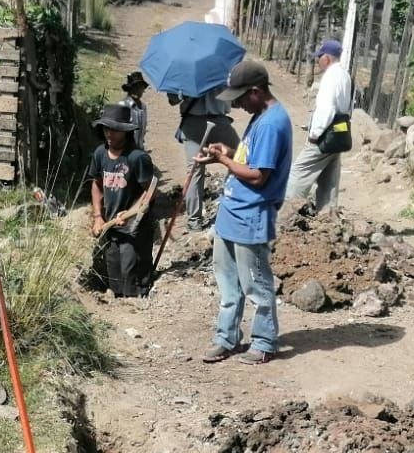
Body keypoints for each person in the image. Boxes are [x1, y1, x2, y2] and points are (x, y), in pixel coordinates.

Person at [195, 59, 292, 365]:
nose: (236, 104)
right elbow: (247, 159)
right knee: (227, 283)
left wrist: (225, 163)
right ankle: (227, 337)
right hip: (231, 213)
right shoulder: (260, 117)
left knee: (256, 284)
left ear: (255, 91)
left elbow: (257, 175)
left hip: (251, 215)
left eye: (239, 98)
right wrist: (225, 154)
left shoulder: (273, 123)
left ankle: (264, 341)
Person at [87, 102, 160, 298]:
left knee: (132, 276)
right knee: (114, 276)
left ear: (126, 132)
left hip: (135, 229)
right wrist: (97, 216)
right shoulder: (100, 154)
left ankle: (137, 309)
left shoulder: (137, 158)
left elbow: (150, 191)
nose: (110, 134)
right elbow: (96, 184)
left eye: (116, 130)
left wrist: (130, 213)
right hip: (111, 228)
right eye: (107, 129)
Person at [287, 38, 353, 215]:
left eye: (320, 57)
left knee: (298, 173)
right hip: (339, 133)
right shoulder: (345, 75)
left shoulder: (330, 77)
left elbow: (327, 108)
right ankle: (327, 217)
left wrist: (314, 134)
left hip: (325, 134)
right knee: (328, 179)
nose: (318, 60)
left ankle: (287, 213)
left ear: (327, 58)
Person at [168, 86, 232, 231]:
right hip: (221, 121)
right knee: (242, 160)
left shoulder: (183, 68)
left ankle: (194, 221)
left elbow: (173, 100)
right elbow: (233, 100)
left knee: (194, 171)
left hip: (193, 123)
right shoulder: (224, 67)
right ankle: (242, 208)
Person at [118, 71, 149, 147]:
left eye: (140, 88)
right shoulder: (122, 105)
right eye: (135, 87)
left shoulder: (143, 107)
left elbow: (143, 129)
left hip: (139, 149)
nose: (138, 91)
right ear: (129, 89)